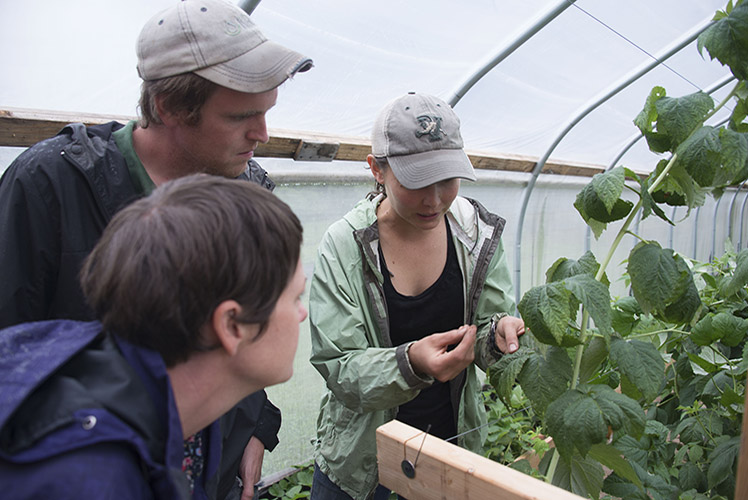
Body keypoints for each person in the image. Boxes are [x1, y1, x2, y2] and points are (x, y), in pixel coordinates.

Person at [0, 1, 312, 498]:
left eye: (267, 111)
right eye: (241, 116)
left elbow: (244, 330)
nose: (262, 134)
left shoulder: (247, 187)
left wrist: (257, 422)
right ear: (168, 106)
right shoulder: (51, 184)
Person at [0, 174, 308, 499]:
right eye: (295, 298)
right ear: (232, 325)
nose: (301, 313)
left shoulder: (187, 418)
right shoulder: (84, 480)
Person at [307, 92, 526, 499]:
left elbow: (486, 325)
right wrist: (411, 364)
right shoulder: (345, 245)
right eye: (416, 181)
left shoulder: (475, 234)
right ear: (377, 170)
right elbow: (339, 365)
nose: (435, 198)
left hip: (449, 449)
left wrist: (497, 335)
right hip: (361, 464)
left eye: (447, 179)